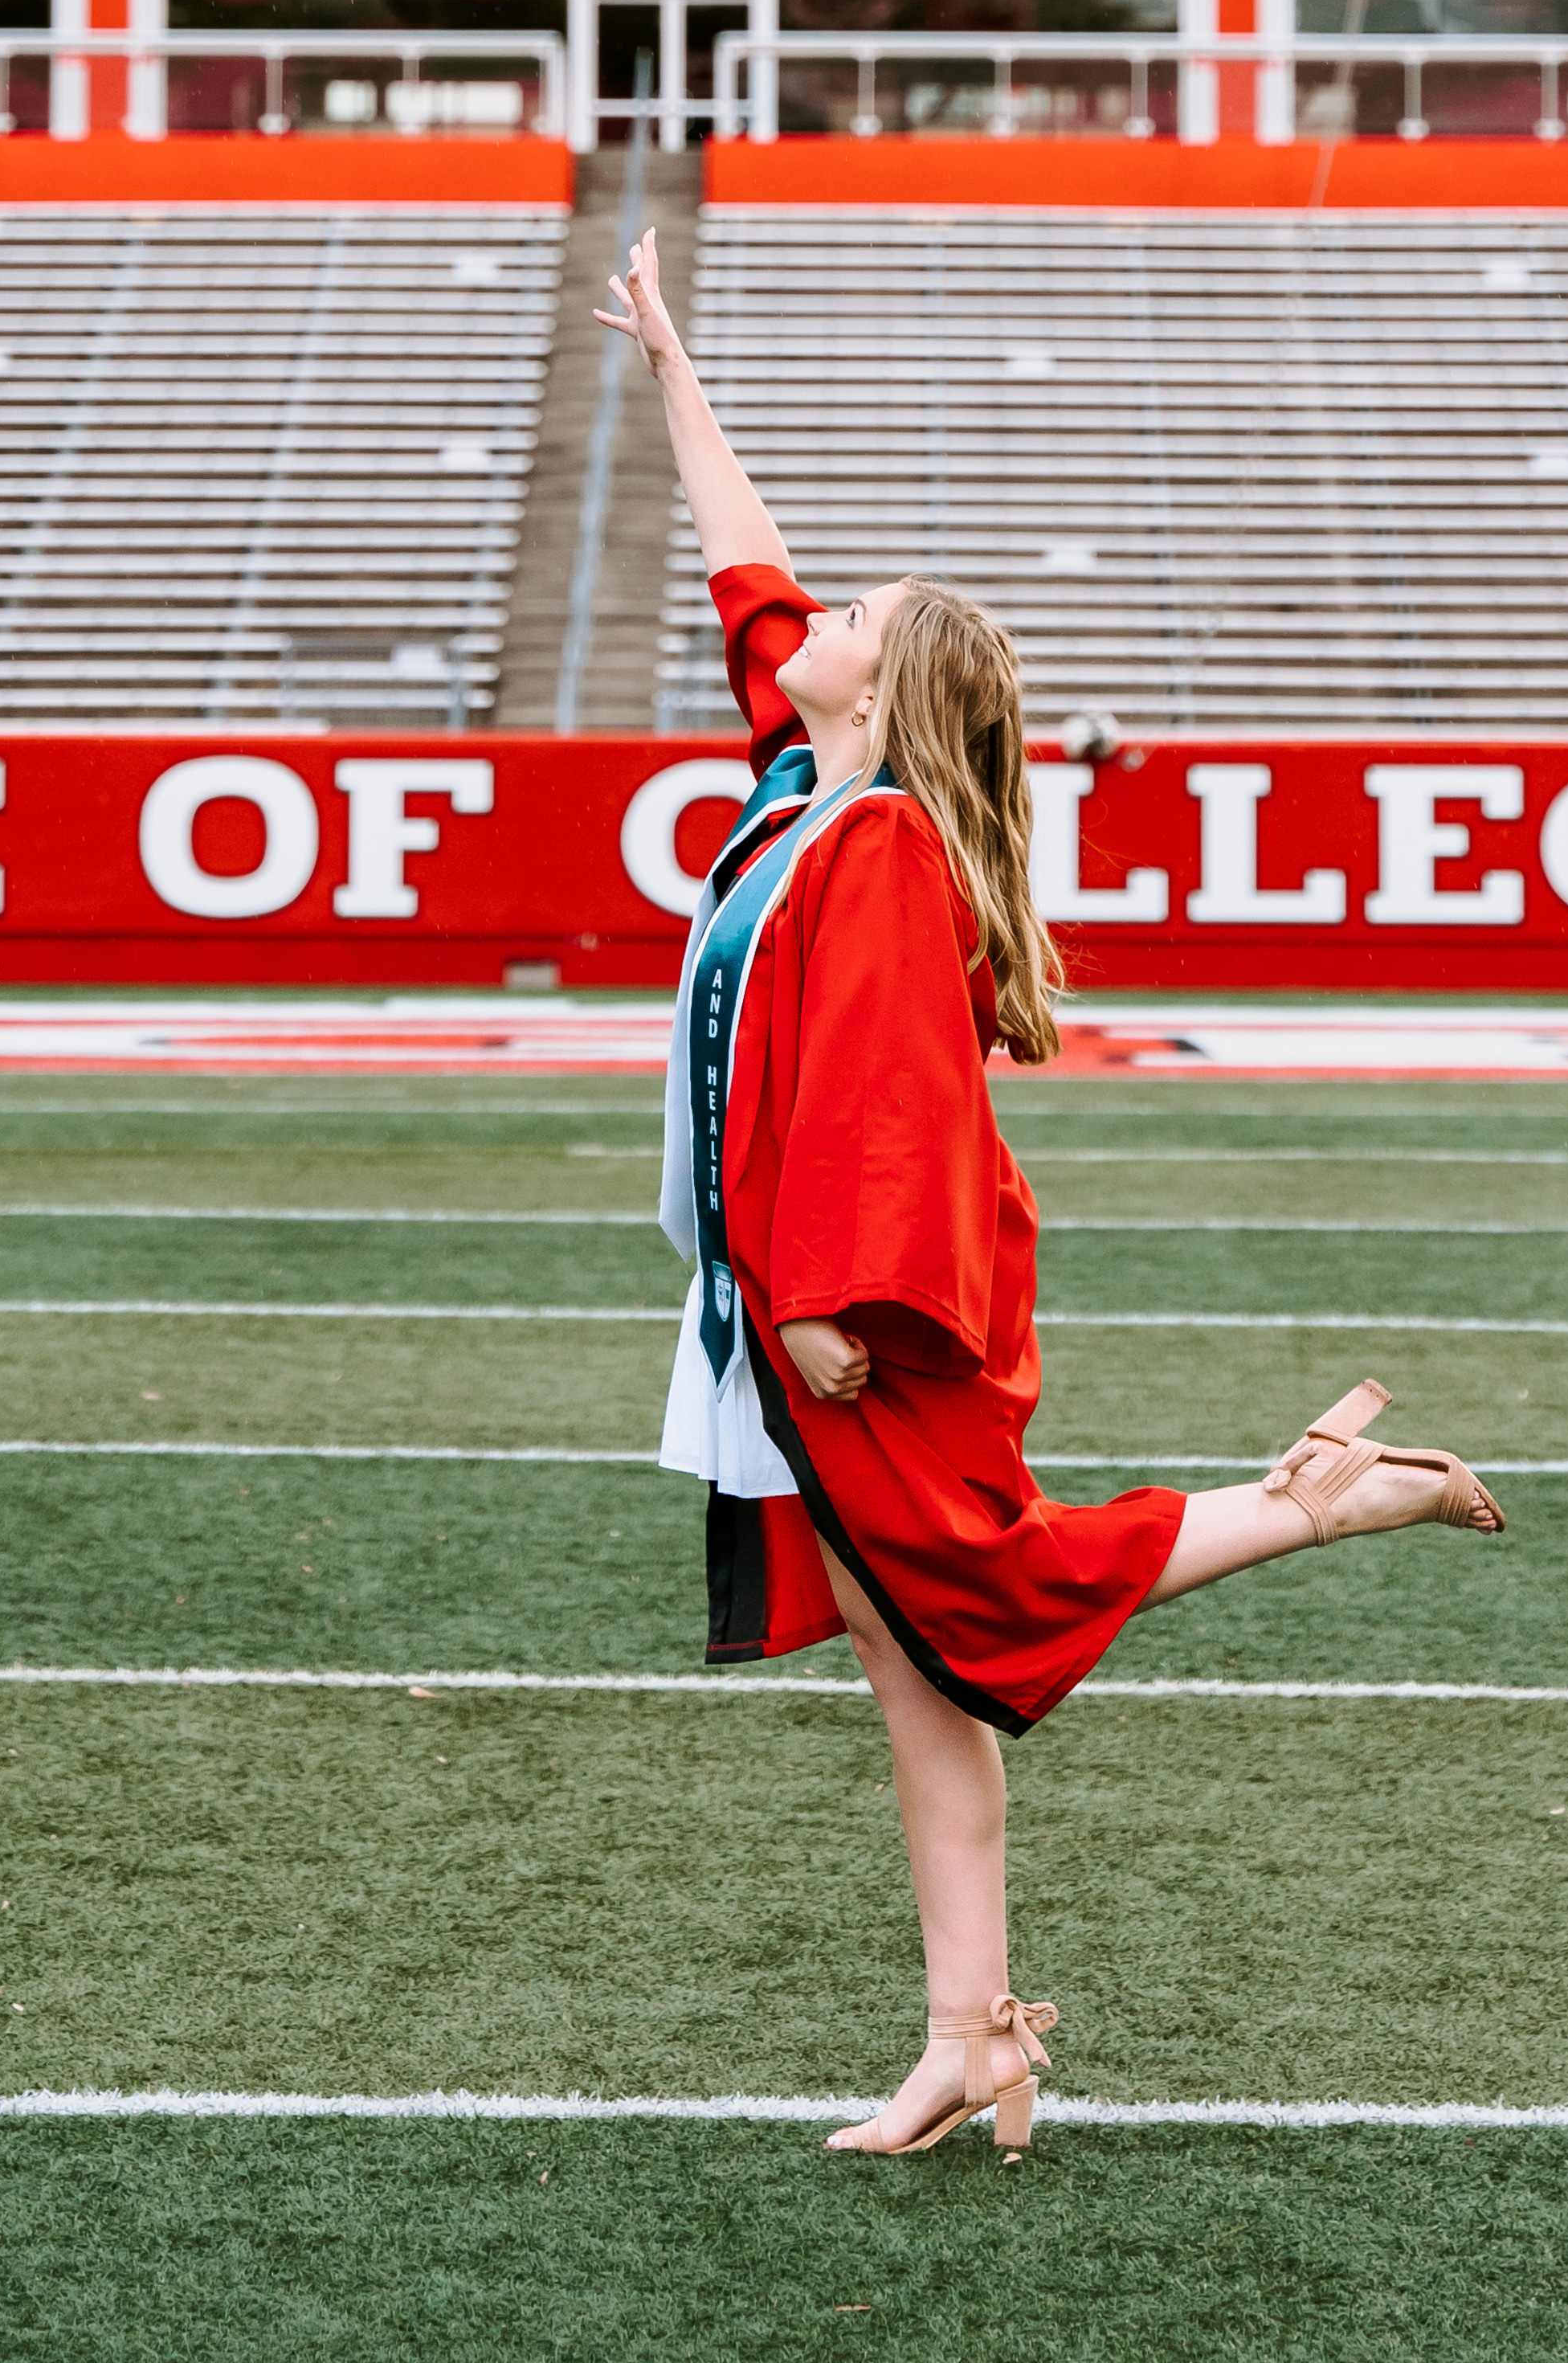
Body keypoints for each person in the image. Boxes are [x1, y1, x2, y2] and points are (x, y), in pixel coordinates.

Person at [596, 225, 1502, 2163]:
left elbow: (896, 1106)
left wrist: (832, 1301)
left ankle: (1312, 1504)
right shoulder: (802, 786)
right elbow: (742, 562)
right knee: (920, 1666)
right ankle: (970, 2034)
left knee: (976, 1597)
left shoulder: (882, 848)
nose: (807, 611)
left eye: (853, 609)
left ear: (887, 684)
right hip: (780, 1307)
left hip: (860, 1317)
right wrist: (671, 363)